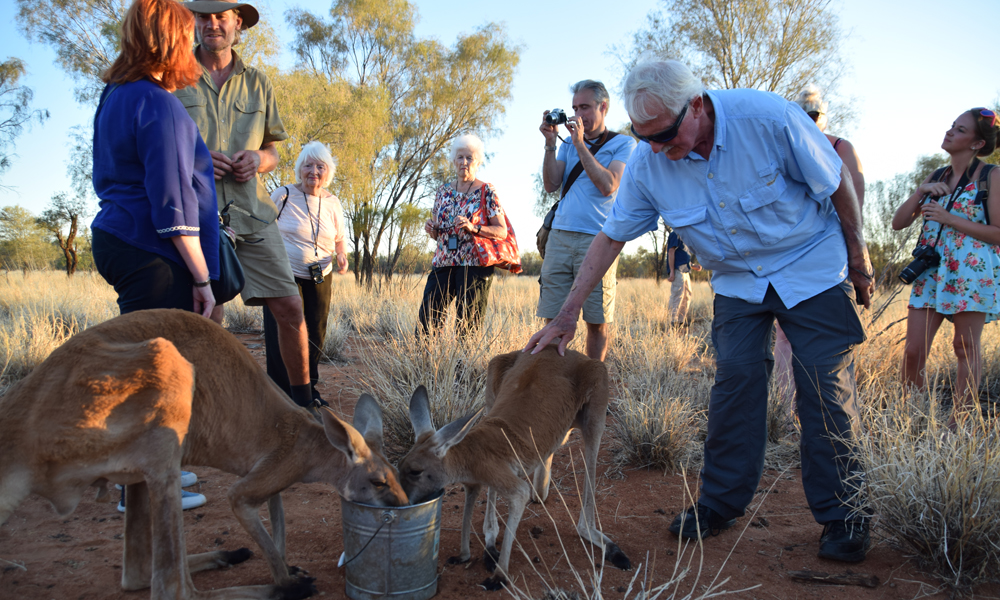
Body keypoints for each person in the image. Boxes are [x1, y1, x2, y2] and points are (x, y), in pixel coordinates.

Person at [525, 60, 874, 563]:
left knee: (824, 386)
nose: (658, 149)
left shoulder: (768, 119)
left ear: (697, 105)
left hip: (811, 265)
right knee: (734, 382)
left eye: (665, 134)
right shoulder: (649, 159)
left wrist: (858, 258)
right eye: (644, 138)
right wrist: (567, 313)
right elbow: (612, 235)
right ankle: (718, 503)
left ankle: (844, 513)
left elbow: (835, 180)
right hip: (736, 281)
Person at [90, 0, 213, 512]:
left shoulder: (114, 95)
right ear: (167, 40)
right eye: (186, 36)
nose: (192, 45)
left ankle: (158, 469)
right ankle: (137, 490)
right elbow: (171, 198)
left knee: (147, 359)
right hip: (150, 244)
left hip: (117, 234)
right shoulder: (158, 104)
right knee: (155, 369)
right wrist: (203, 278)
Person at [175, 0, 314, 410]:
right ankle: (200, 413)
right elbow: (157, 145)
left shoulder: (258, 83)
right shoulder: (173, 77)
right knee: (207, 316)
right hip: (196, 217)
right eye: (204, 16)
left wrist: (259, 159)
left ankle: (303, 407)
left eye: (222, 17)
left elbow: (272, 150)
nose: (212, 24)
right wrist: (197, 160)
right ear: (194, 23)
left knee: (290, 307)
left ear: (238, 23)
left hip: (253, 215)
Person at [892, 108, 1000, 426]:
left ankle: (961, 423)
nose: (950, 132)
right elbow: (898, 223)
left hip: (970, 268)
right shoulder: (937, 176)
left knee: (965, 346)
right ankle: (911, 416)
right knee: (913, 350)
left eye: (960, 129)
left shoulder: (990, 176)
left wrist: (949, 218)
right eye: (951, 126)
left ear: (978, 143)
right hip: (931, 269)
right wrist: (920, 192)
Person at [772, 85, 869, 405]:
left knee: (829, 336)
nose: (808, 120)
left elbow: (855, 206)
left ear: (824, 118)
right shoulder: (780, 148)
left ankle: (828, 411)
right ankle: (784, 409)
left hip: (831, 254)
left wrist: (856, 256)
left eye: (814, 114)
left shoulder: (841, 148)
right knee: (784, 332)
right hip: (788, 253)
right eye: (801, 113)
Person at [538, 80, 637, 361]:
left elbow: (609, 185)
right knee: (553, 316)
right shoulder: (567, 144)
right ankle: (553, 384)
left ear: (603, 107)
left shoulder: (624, 144)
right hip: (559, 236)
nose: (577, 115)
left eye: (585, 107)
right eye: (574, 108)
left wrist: (580, 145)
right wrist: (549, 144)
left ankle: (594, 386)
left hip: (599, 240)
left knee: (597, 321)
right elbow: (551, 184)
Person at [263, 142, 349, 404]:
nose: (313, 171)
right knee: (284, 327)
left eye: (320, 166)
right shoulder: (283, 194)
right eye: (308, 165)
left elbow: (340, 239)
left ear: (328, 172)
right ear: (299, 169)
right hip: (283, 272)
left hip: (321, 274)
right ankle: (280, 391)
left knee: (315, 331)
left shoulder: (333, 202)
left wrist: (342, 254)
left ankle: (308, 389)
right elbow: (263, 225)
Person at [418, 134, 509, 336]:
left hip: (474, 265)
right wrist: (432, 230)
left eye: (469, 157)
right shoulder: (442, 191)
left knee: (467, 326)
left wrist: (474, 228)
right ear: (453, 160)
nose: (464, 162)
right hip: (443, 262)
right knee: (427, 320)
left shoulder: (487, 191)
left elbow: (501, 231)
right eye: (460, 157)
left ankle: (464, 367)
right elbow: (437, 231)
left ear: (477, 161)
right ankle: (425, 365)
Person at [666, 230, 702, 324]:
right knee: (678, 295)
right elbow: (671, 252)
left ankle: (681, 321)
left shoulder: (685, 237)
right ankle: (672, 320)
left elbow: (683, 257)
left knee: (687, 295)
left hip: (686, 271)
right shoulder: (675, 234)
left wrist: (693, 266)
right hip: (678, 270)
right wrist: (672, 271)